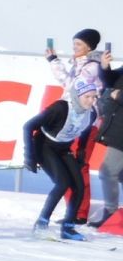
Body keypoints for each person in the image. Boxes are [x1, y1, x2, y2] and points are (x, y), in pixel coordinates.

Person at [45, 29, 111, 223]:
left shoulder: (93, 66)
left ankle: (79, 213)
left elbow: (74, 87)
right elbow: (68, 83)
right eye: (74, 44)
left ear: (89, 47)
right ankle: (73, 211)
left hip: (86, 122)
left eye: (79, 44)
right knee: (68, 164)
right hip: (72, 119)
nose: (74, 48)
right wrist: (54, 61)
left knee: (78, 164)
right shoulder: (80, 64)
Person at [25, 78, 103, 240]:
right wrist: (30, 156)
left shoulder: (92, 113)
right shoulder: (60, 108)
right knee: (62, 183)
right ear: (77, 96)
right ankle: (41, 223)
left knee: (79, 186)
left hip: (63, 148)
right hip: (44, 146)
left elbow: (86, 132)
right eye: (87, 97)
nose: (91, 101)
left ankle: (68, 227)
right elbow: (28, 126)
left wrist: (81, 152)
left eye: (94, 97)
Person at [89, 71, 123, 229]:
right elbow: (110, 79)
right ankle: (112, 214)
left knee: (108, 172)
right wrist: (104, 66)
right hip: (118, 130)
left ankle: (111, 213)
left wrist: (118, 96)